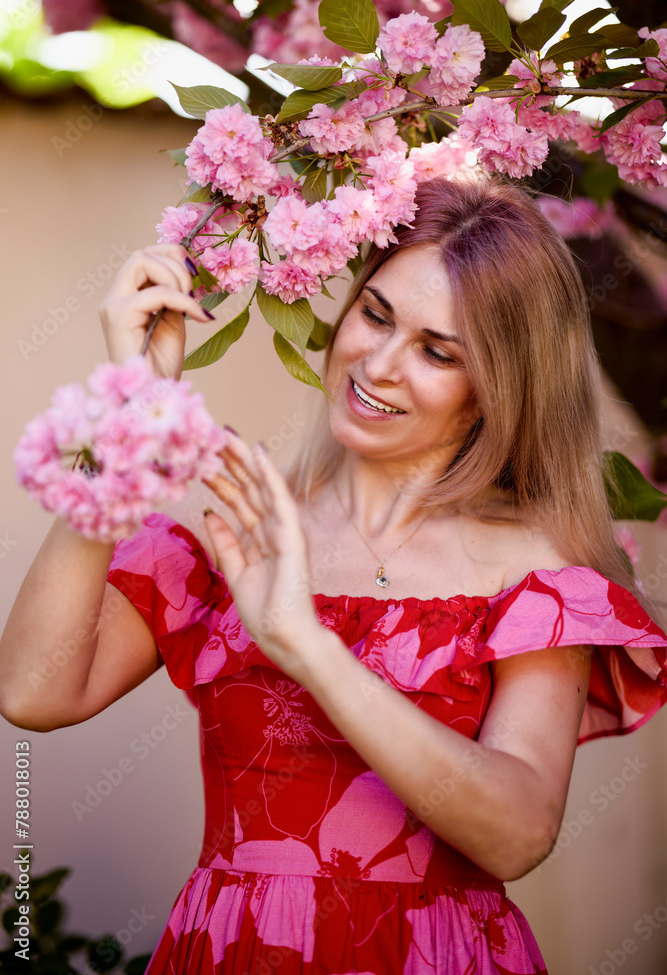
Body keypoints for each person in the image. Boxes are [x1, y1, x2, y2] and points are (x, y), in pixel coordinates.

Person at [1, 174, 666, 975]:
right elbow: (32, 693)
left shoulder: (532, 573)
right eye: (374, 314)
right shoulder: (237, 526)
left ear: (496, 390)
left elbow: (517, 834)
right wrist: (126, 410)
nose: (378, 364)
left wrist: (303, 643)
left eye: (436, 351)